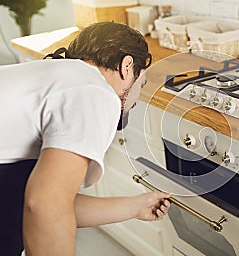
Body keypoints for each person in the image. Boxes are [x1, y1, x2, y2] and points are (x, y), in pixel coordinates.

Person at [0, 21, 171, 256]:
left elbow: (50, 200)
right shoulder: (96, 90)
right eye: (141, 84)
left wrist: (136, 206)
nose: (137, 101)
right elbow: (47, 206)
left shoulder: (58, 78)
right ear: (127, 67)